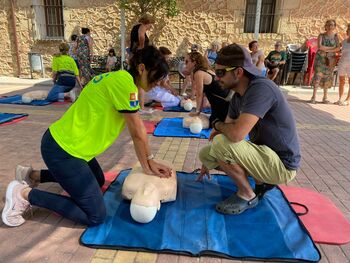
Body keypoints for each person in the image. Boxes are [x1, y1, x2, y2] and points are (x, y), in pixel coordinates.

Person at [1, 46, 172, 227]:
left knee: (97, 180)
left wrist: (148, 163)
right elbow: (137, 132)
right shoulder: (124, 84)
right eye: (157, 77)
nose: (159, 83)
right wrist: (149, 163)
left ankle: (33, 175)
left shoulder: (118, 78)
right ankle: (23, 194)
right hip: (63, 151)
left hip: (68, 145)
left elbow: (136, 124)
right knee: (95, 216)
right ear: (142, 68)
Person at [198, 44, 300, 215]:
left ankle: (247, 194)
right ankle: (261, 181)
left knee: (221, 143)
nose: (217, 78)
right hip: (265, 154)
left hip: (282, 165)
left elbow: (235, 134)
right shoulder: (238, 96)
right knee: (206, 154)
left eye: (221, 73)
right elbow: (228, 129)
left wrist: (216, 125)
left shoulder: (261, 88)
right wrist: (221, 130)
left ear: (238, 72)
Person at [185, 51, 231, 127]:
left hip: (223, 105)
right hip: (224, 104)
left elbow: (200, 94)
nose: (185, 64)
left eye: (187, 61)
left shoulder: (199, 73)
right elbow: (202, 93)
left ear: (194, 62)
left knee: (211, 124)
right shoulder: (205, 70)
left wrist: (197, 111)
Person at [309, 19, 341, 104]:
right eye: (328, 25)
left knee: (327, 77)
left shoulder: (336, 36)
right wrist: (332, 49)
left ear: (334, 27)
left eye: (332, 25)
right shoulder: (321, 35)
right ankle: (313, 97)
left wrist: (327, 49)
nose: (330, 26)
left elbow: (338, 48)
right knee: (318, 76)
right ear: (325, 26)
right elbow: (320, 47)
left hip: (331, 60)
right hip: (320, 59)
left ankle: (325, 97)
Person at [335, 24, 350, 106]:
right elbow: (336, 49)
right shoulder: (344, 42)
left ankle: (348, 100)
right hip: (342, 63)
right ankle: (340, 99)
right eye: (349, 30)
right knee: (341, 81)